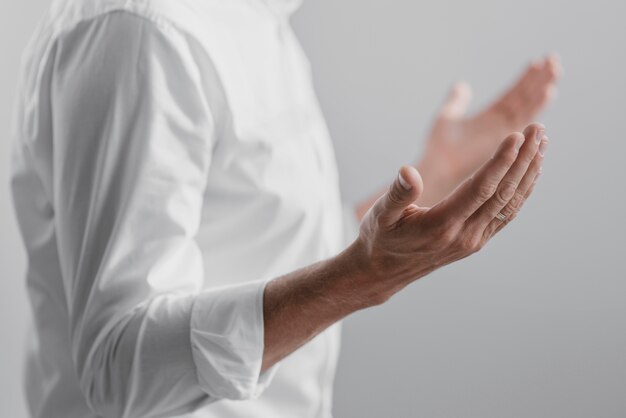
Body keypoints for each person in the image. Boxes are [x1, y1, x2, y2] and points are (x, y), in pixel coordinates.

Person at [10, 0, 560, 417]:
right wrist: (361, 278)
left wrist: (433, 174)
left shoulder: (258, 20)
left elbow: (262, 246)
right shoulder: (142, 34)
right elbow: (117, 370)